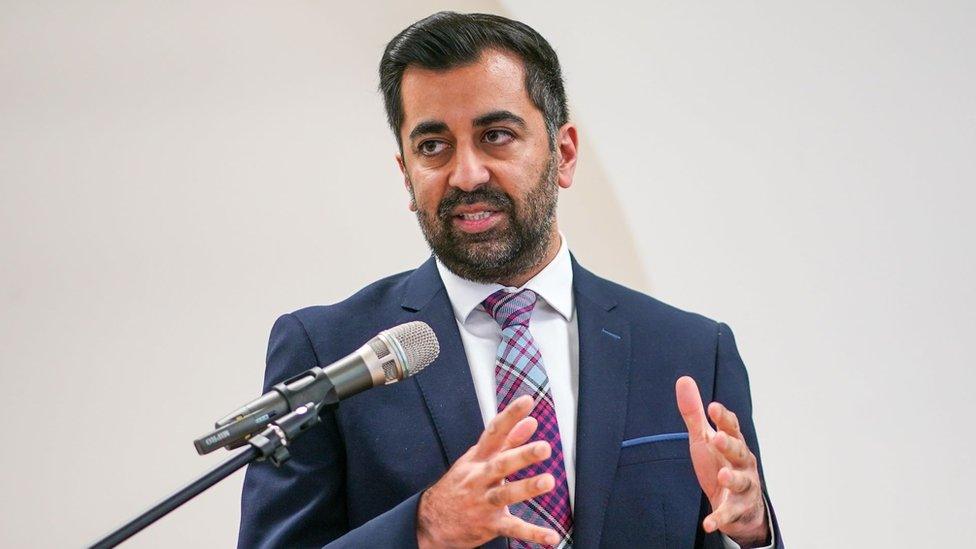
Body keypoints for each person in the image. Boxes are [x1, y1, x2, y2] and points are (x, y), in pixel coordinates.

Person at [238, 11, 781, 549]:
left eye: (496, 135)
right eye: (432, 146)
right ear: (406, 175)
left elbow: (736, 531)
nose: (467, 174)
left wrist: (753, 528)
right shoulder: (331, 353)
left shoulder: (689, 349)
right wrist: (423, 528)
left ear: (563, 154)